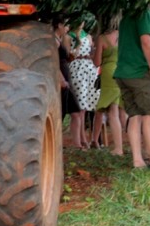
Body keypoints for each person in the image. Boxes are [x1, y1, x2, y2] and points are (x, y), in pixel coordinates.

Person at [113, 4, 150, 169]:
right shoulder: (144, 13)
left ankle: (137, 160)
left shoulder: (128, 14)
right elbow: (146, 41)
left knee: (134, 116)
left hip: (123, 72)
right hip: (139, 72)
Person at [64, 19, 100, 148]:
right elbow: (68, 55)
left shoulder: (88, 36)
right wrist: (78, 43)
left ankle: (87, 138)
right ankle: (82, 139)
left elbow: (92, 54)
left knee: (88, 104)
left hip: (89, 68)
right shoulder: (68, 37)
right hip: (76, 67)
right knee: (80, 104)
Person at [92, 14, 124, 155]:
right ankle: (123, 145)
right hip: (122, 72)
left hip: (108, 74)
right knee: (119, 110)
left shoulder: (102, 38)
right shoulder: (124, 37)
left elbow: (97, 62)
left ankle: (116, 147)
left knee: (109, 110)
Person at [53, 16, 83, 149]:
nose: (67, 28)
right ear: (59, 25)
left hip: (66, 79)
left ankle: (77, 144)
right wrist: (61, 79)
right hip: (61, 81)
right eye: (65, 25)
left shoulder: (60, 39)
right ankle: (55, 143)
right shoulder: (53, 41)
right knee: (61, 113)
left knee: (76, 112)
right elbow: (52, 63)